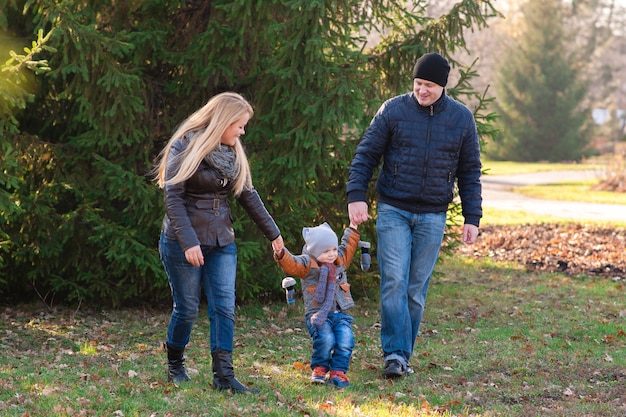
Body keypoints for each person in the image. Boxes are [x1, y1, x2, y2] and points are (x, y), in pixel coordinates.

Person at [346, 52, 482, 379]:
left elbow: (470, 172)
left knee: (415, 291)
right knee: (394, 281)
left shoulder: (461, 119)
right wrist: (356, 196)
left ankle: (402, 355)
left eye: (430, 85)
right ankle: (394, 354)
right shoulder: (394, 110)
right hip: (393, 209)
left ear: (443, 87)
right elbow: (366, 154)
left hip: (433, 216)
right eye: (418, 83)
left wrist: (472, 217)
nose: (422, 90)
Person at [154, 92, 284, 393]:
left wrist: (274, 236)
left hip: (222, 240)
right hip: (181, 241)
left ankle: (224, 378)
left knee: (224, 308)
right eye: (239, 125)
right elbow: (173, 200)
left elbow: (249, 196)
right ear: (223, 122)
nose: (242, 132)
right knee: (186, 309)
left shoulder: (233, 152)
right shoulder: (184, 145)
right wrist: (189, 243)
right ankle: (175, 363)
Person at [273, 222, 361, 388]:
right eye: (326, 251)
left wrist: (353, 227)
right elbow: (292, 263)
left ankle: (338, 371)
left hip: (339, 313)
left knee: (346, 339)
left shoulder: (339, 260)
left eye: (333, 249)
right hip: (318, 314)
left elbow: (348, 246)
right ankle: (320, 368)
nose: (331, 254)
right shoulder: (307, 264)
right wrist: (281, 253)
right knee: (326, 339)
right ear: (314, 251)